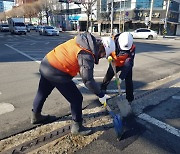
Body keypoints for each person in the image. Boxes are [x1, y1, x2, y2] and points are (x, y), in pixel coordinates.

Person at [31, 32, 115, 136]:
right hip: (57, 71)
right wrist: (100, 95)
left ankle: (36, 116)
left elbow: (79, 65)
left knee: (42, 92)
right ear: (102, 49)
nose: (102, 57)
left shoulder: (84, 42)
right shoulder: (86, 54)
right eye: (103, 55)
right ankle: (77, 128)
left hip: (47, 63)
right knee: (76, 98)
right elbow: (88, 80)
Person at [101, 32, 135, 104]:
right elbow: (106, 50)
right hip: (114, 62)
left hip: (125, 65)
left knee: (128, 81)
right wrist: (108, 57)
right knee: (108, 77)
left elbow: (129, 63)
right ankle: (102, 90)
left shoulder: (132, 47)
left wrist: (121, 78)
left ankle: (129, 99)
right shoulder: (111, 41)